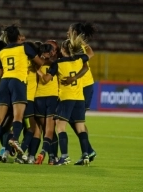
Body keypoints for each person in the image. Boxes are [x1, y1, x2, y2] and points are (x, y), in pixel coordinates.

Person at [0, 24, 46, 160]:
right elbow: (40, 62)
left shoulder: (2, 51)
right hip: (18, 81)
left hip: (4, 82)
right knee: (18, 116)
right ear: (18, 36)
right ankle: (14, 139)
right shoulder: (25, 47)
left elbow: (1, 72)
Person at [36, 38, 94, 166]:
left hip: (66, 98)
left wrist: (38, 70)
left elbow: (46, 79)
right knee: (80, 128)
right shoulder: (80, 59)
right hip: (79, 98)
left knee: (61, 127)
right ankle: (85, 155)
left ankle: (65, 156)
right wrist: (75, 77)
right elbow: (85, 68)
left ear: (62, 50)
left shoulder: (58, 63)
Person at [64, 22, 97, 164]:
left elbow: (90, 54)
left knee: (77, 119)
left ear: (75, 32)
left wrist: (80, 59)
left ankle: (88, 151)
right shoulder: (71, 44)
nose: (67, 33)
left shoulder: (79, 45)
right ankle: (88, 150)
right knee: (75, 120)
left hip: (84, 85)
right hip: (79, 85)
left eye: (69, 30)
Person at [33, 40, 60, 165]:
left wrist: (36, 69)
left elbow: (45, 79)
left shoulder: (37, 64)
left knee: (47, 130)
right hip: (47, 97)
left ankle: (48, 155)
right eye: (51, 49)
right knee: (49, 130)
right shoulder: (54, 64)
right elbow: (46, 80)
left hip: (41, 97)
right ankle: (49, 156)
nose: (53, 51)